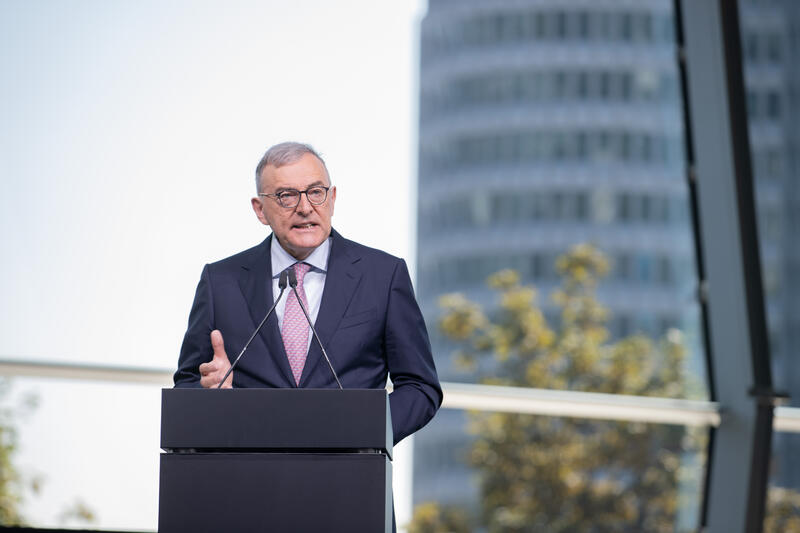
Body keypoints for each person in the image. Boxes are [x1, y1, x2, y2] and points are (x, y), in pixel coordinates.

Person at [174, 141, 442, 445]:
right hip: (249, 476)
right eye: (286, 196)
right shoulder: (221, 281)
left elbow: (420, 388)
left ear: (333, 198)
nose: (305, 207)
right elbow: (187, 384)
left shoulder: (383, 275)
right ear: (260, 210)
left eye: (316, 192)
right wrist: (212, 396)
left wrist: (365, 428)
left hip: (352, 478)